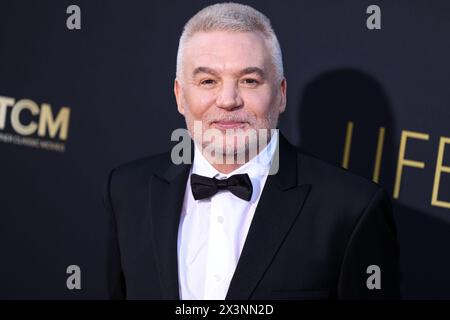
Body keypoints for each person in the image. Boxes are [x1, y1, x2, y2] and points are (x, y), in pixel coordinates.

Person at [102, 2, 400, 300]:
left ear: (280, 94)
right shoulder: (127, 191)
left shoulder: (351, 209)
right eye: (208, 81)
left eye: (249, 81)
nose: (228, 100)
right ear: (180, 96)